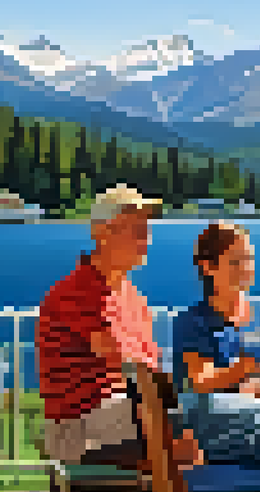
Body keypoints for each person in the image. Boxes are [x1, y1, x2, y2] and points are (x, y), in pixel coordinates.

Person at [37, 185, 200, 470]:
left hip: (128, 412)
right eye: (136, 230)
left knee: (211, 429)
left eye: (146, 231)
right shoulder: (77, 292)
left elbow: (148, 368)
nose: (145, 240)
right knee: (201, 424)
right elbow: (124, 362)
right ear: (101, 233)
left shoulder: (134, 299)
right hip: (78, 427)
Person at [172, 221, 260, 466]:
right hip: (218, 418)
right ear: (208, 267)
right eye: (235, 261)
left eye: (249, 259)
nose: (246, 268)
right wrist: (246, 370)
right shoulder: (192, 321)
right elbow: (202, 381)